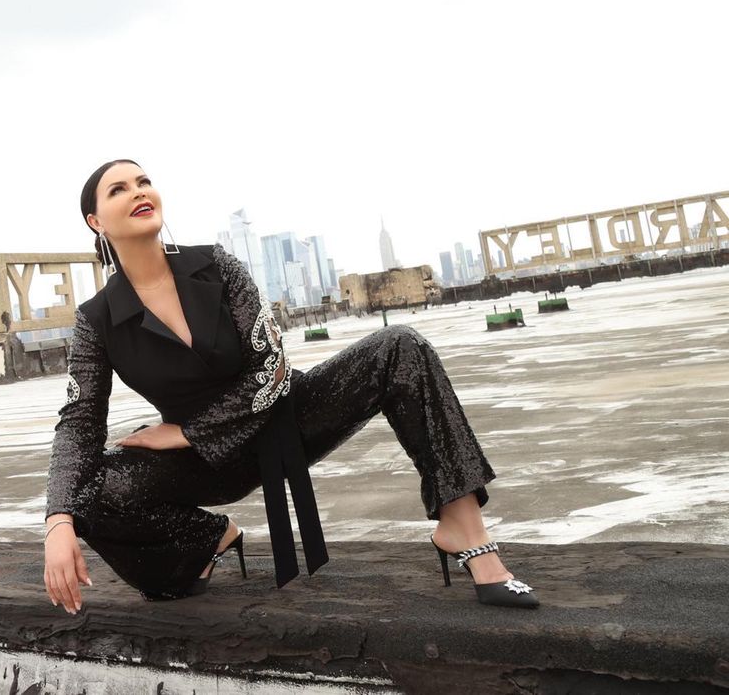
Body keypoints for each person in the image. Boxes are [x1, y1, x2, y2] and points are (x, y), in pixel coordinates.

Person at [43, 159, 539, 613]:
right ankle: (205, 540)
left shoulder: (215, 265)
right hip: (209, 463)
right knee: (86, 493)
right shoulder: (96, 320)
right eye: (119, 189)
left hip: (286, 420)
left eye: (144, 181)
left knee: (399, 346)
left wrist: (188, 431)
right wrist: (58, 522)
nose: (138, 191)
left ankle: (463, 528)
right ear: (96, 221)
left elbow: (272, 368)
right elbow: (79, 421)